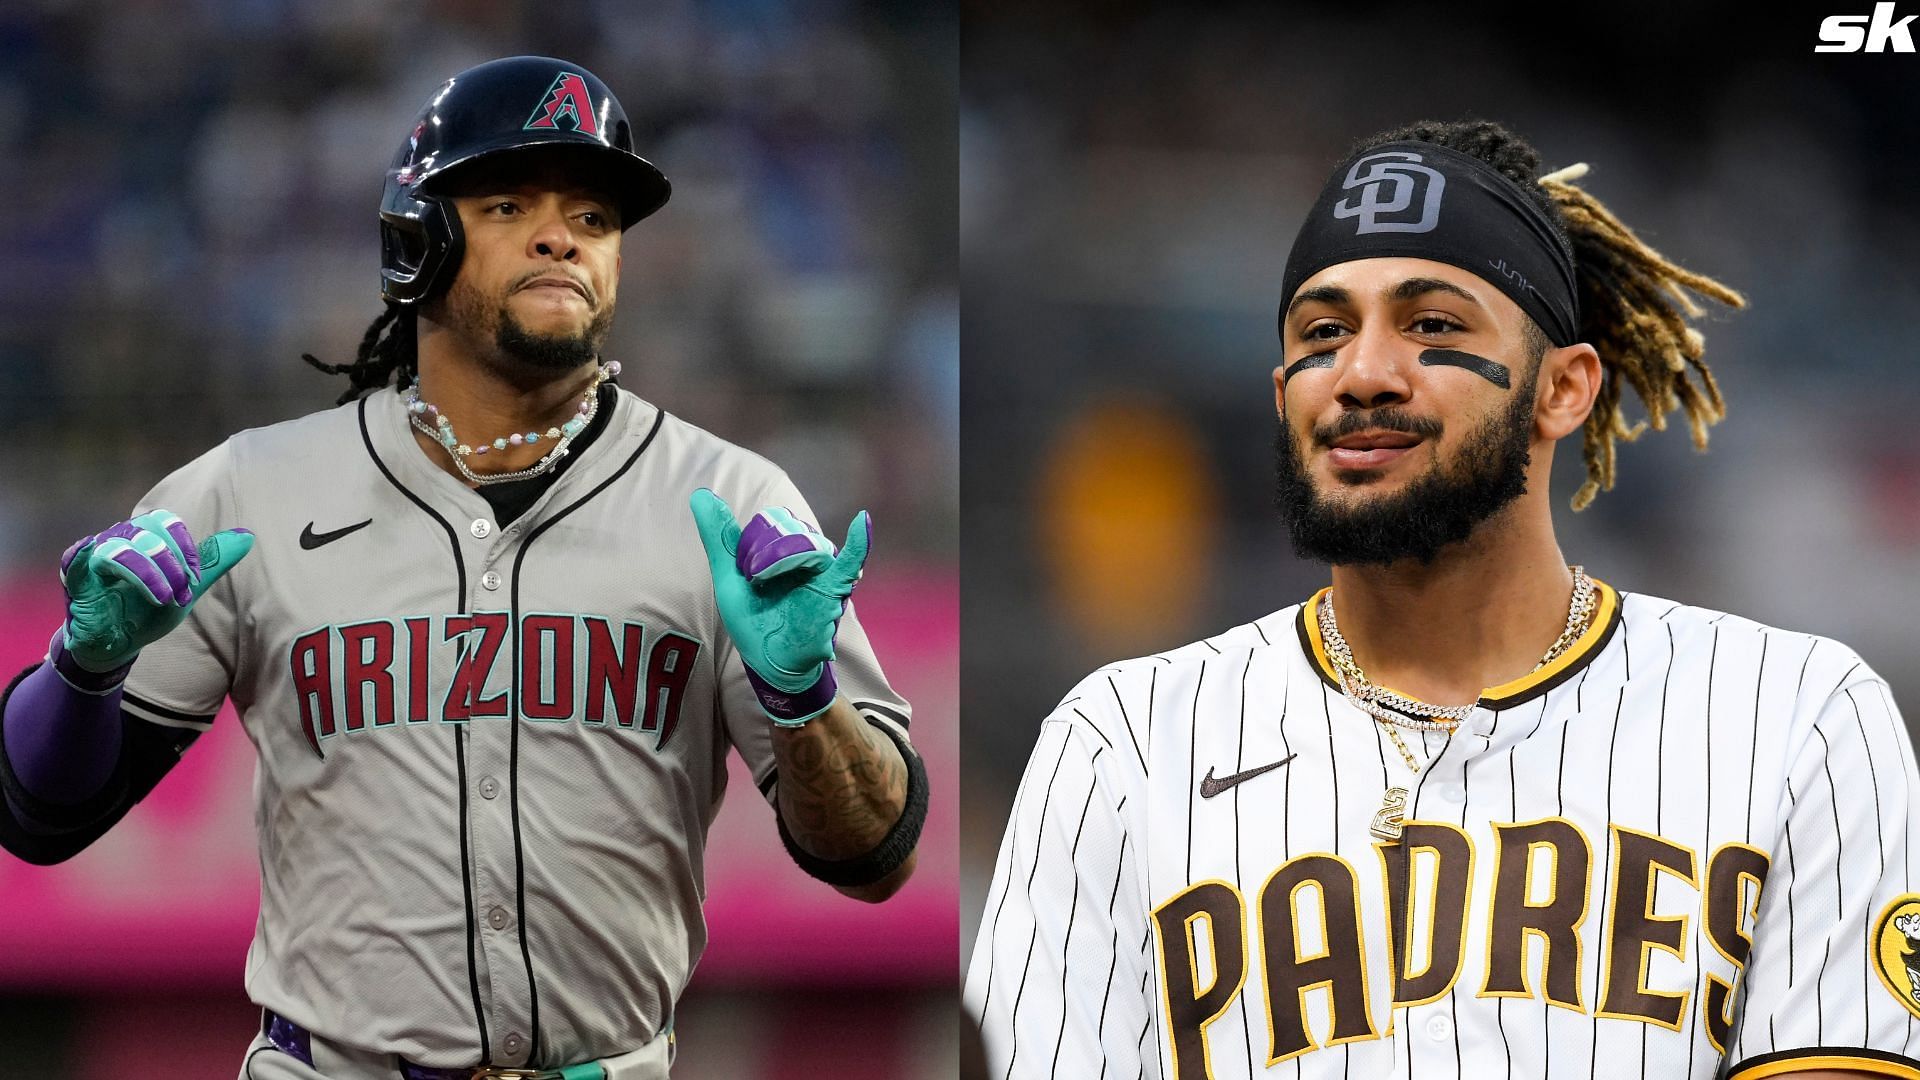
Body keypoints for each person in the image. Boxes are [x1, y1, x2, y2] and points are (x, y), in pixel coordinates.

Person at [0, 55, 927, 1080]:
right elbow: (36, 815)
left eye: (594, 215)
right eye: (506, 202)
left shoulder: (731, 505)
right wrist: (83, 671)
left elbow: (878, 856)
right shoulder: (250, 494)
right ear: (418, 243)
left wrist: (802, 700)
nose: (560, 233)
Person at [964, 119, 1920, 1079]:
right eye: (1323, 332)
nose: (1363, 374)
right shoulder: (1121, 743)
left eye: (1433, 326)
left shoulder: (1798, 717)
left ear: (1563, 389)